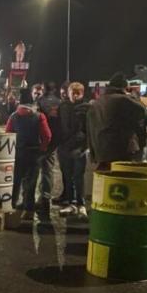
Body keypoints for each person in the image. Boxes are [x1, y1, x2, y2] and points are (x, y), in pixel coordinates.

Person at [6, 88, 52, 220]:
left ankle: (11, 206)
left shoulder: (14, 116)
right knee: (31, 182)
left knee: (15, 181)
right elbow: (47, 136)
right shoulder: (39, 116)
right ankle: (28, 210)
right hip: (34, 153)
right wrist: (42, 149)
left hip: (17, 153)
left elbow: (8, 134)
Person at [87, 72, 147, 170]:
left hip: (101, 154)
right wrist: (134, 96)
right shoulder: (125, 100)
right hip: (121, 152)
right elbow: (143, 111)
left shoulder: (95, 104)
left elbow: (89, 129)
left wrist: (93, 153)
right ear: (124, 87)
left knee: (105, 181)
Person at [57, 82, 90, 218]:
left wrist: (84, 147)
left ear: (82, 94)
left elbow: (90, 129)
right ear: (68, 92)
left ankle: (81, 205)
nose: (75, 95)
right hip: (64, 147)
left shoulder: (86, 108)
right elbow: (58, 126)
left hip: (78, 149)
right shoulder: (62, 106)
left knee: (78, 177)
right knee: (67, 177)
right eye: (73, 92)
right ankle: (71, 204)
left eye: (78, 93)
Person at [37, 81, 62, 210]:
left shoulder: (40, 101)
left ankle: (32, 197)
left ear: (44, 89)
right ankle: (46, 196)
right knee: (48, 169)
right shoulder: (59, 102)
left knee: (35, 169)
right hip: (54, 140)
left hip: (41, 140)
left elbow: (37, 122)